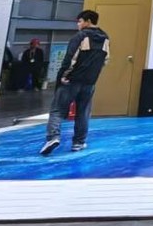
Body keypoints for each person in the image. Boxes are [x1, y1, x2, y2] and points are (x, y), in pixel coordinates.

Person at [40, 10, 109, 156]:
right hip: (90, 81)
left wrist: (63, 75)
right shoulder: (105, 38)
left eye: (80, 21)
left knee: (57, 110)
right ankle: (79, 142)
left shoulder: (80, 36)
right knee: (83, 112)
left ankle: (53, 137)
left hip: (72, 79)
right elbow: (105, 60)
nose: (78, 24)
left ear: (88, 21)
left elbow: (70, 58)